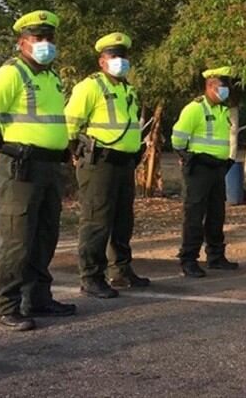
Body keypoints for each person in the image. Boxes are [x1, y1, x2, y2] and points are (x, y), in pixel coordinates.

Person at [0, 10, 76, 331]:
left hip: (48, 167)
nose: (45, 43)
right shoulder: (8, 75)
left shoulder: (51, 77)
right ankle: (5, 307)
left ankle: (37, 298)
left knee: (45, 236)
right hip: (20, 168)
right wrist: (6, 149)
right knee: (17, 239)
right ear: (23, 43)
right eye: (38, 38)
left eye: (49, 38)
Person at [66, 32, 150, 299]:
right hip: (99, 163)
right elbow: (70, 124)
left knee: (123, 220)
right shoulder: (89, 87)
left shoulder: (128, 89)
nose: (120, 61)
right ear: (102, 61)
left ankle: (121, 271)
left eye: (123, 56)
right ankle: (91, 276)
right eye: (114, 57)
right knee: (97, 221)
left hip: (124, 164)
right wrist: (74, 153)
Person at [171, 66, 239, 278]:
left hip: (218, 168)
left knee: (216, 214)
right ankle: (189, 259)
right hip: (199, 167)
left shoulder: (222, 110)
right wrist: (186, 156)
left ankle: (216, 256)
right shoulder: (195, 108)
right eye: (222, 86)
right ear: (209, 85)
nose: (225, 90)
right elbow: (177, 138)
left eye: (227, 86)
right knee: (194, 215)